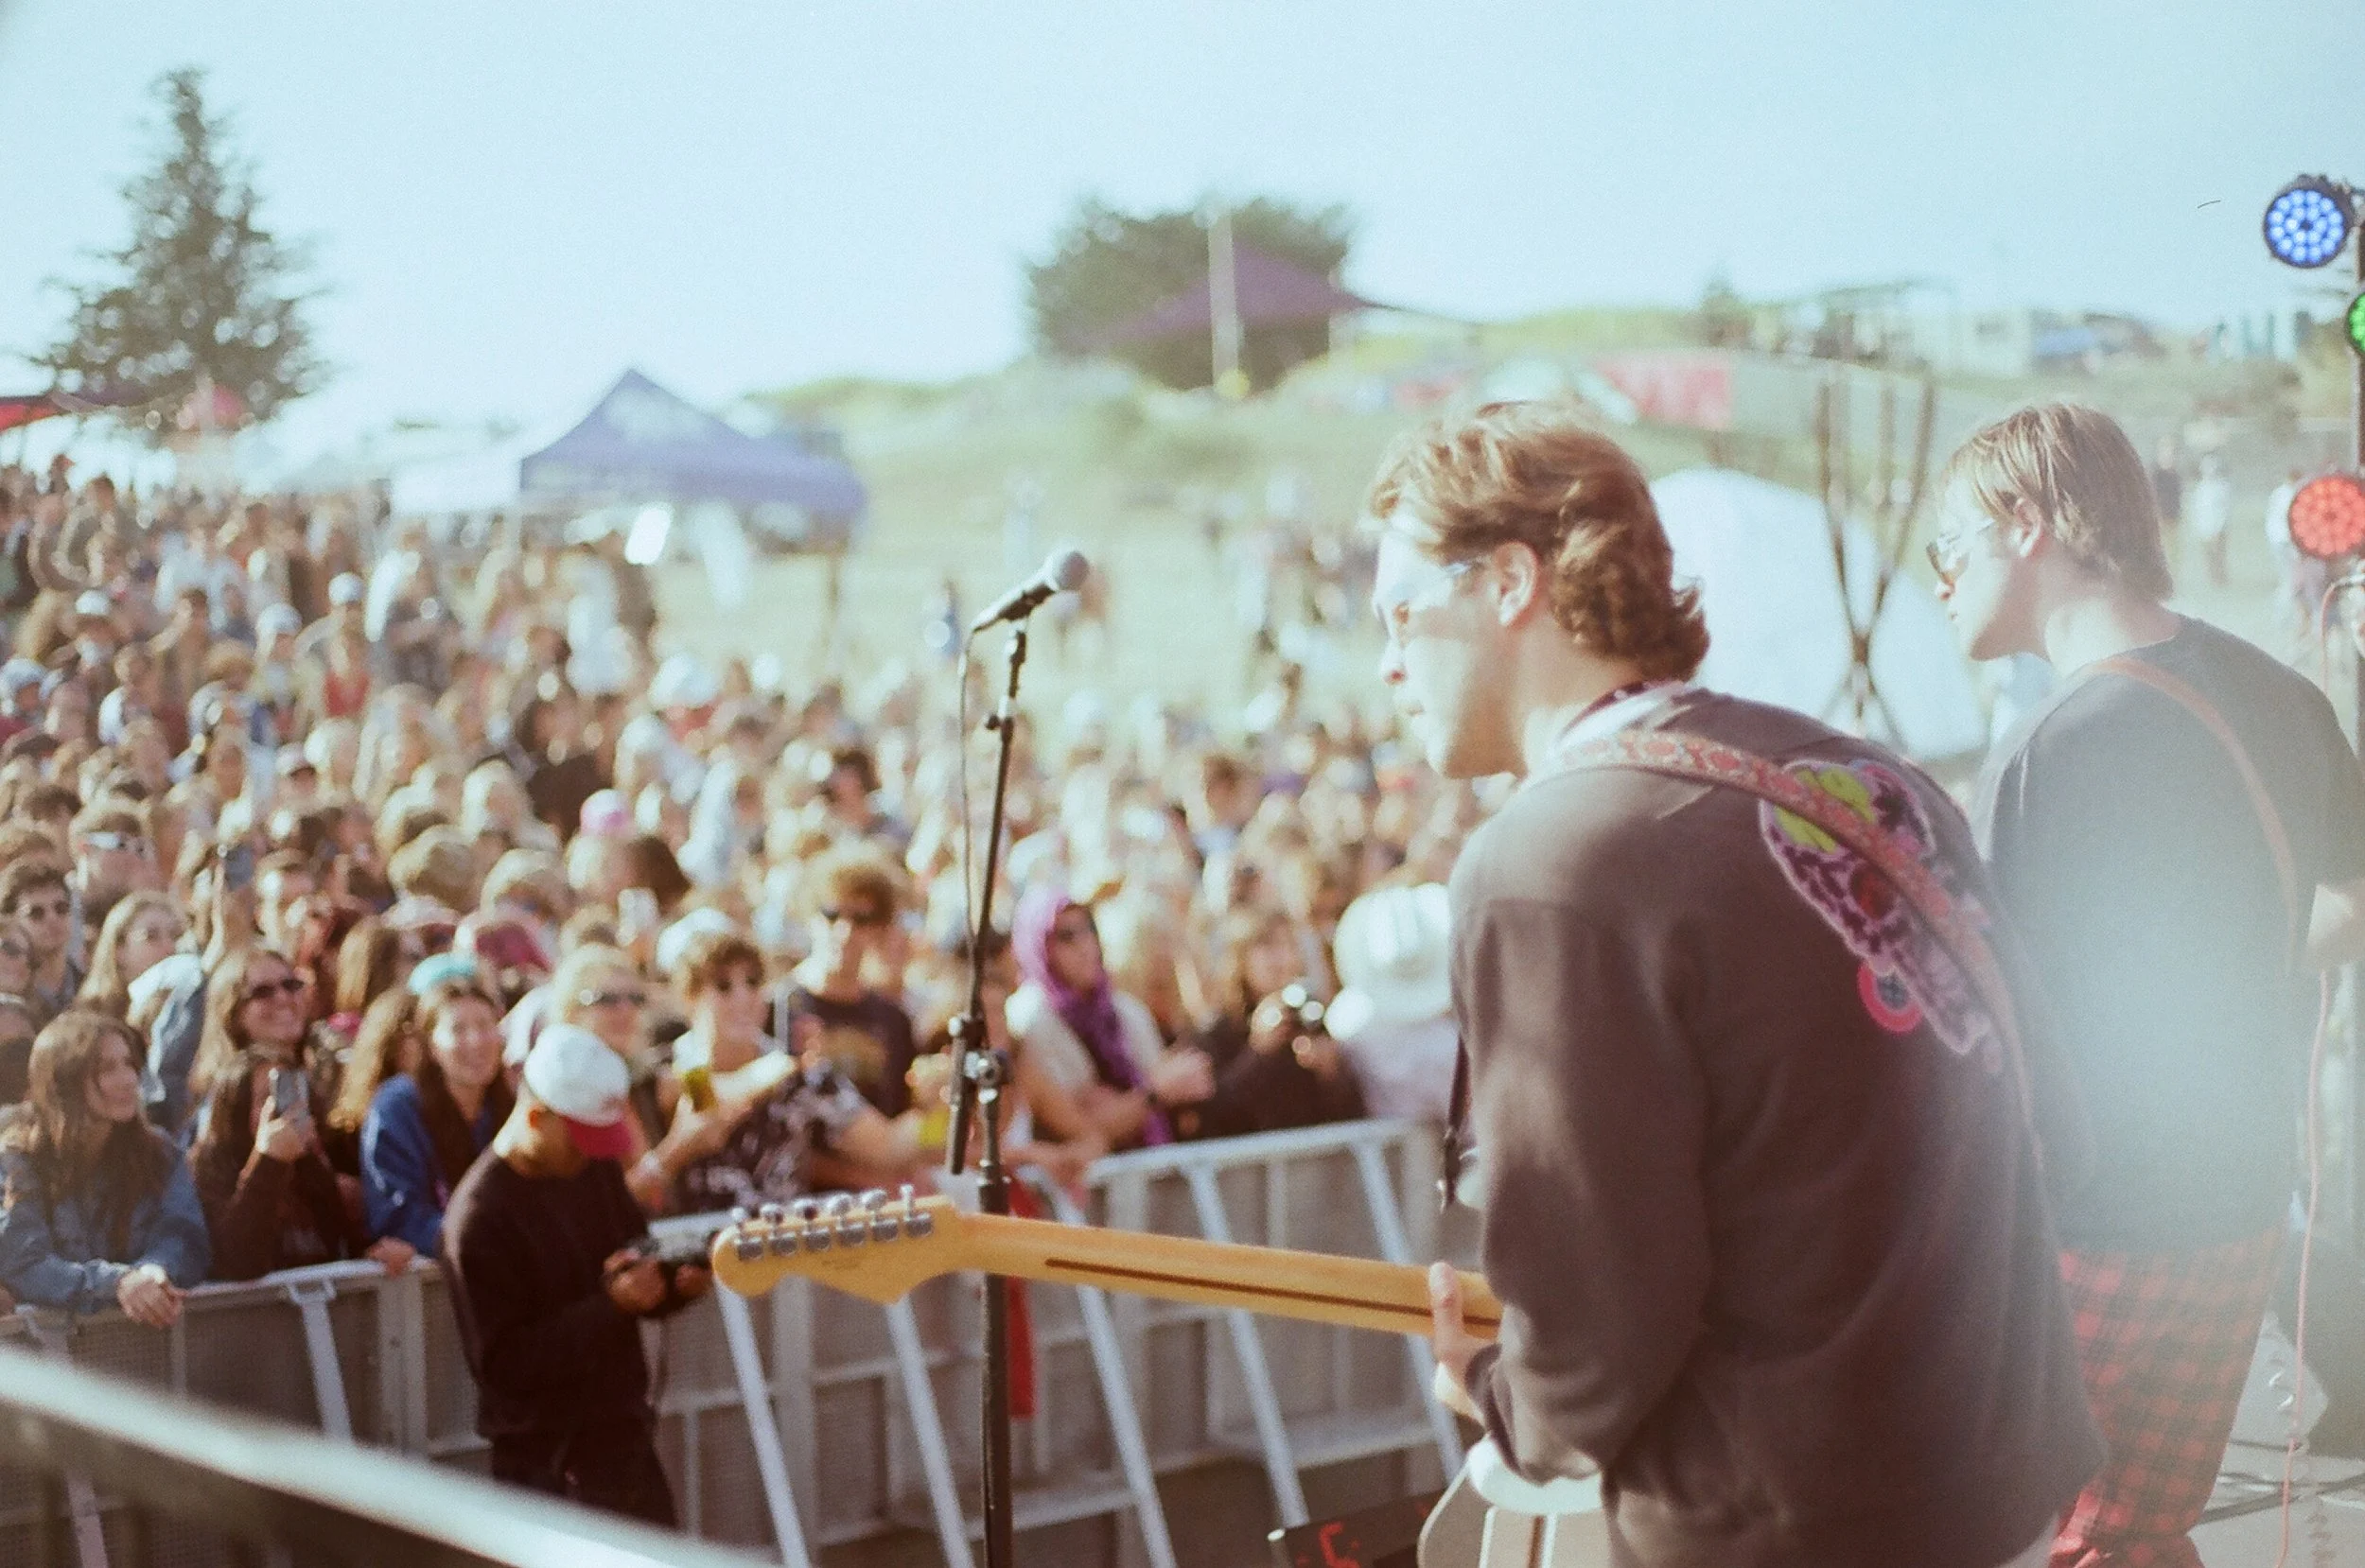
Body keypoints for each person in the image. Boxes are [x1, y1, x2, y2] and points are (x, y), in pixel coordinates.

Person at [1376, 402, 2098, 1568]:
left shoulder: (1548, 861)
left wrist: (1502, 1393)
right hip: (2001, 1476)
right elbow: (2059, 1131)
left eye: (1402, 611)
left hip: (1786, 1518)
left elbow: (1591, 1330)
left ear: (1509, 579)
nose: (1389, 662)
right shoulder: (1870, 777)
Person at [1932, 402, 2365, 1568]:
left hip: (2098, 1221)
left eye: (1949, 546)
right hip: (2235, 1203)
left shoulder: (2051, 744)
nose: (1938, 581)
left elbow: (1990, 1031)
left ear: (2025, 524)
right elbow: (2355, 901)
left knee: (2075, 1539)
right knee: (2131, 1529)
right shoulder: (2280, 693)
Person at [439, 1023, 708, 1524]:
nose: (593, 1153)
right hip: (547, 1465)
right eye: (582, 1140)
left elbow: (629, 1257)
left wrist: (671, 1287)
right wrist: (614, 1306)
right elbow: (505, 1366)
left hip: (622, 1443)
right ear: (537, 1117)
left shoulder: (592, 1169)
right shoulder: (479, 1218)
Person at [186, 947, 411, 1280]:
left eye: (291, 985)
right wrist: (269, 1161)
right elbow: (235, 1256)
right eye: (262, 992)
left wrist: (369, 1250)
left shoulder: (325, 1077)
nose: (282, 998)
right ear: (231, 1012)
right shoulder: (213, 1125)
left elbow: (336, 1234)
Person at [661, 927, 917, 1215]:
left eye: (754, 982)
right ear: (690, 997)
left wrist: (944, 1111)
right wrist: (784, 1065)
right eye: (723, 986)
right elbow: (711, 1106)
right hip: (696, 1253)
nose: (743, 997)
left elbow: (886, 1146)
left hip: (781, 1245)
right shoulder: (668, 1067)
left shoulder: (804, 1075)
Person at [0, 1009, 208, 1322]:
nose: (129, 1079)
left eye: (129, 1064)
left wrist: (154, 1272)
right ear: (65, 1080)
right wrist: (116, 1283)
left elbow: (182, 1234)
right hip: (51, 1356)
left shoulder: (159, 1150)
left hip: (143, 1343)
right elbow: (24, 1262)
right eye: (107, 1069)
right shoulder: (19, 1156)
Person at [1007, 885, 1212, 1151]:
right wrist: (1151, 1094)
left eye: (1089, 928)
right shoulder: (1029, 1018)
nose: (1085, 945)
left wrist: (1132, 1101)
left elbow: (1169, 1089)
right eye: (1066, 936)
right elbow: (1077, 1127)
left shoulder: (1124, 1010)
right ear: (1039, 944)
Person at [1170, 906, 1364, 1140]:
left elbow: (1351, 1116)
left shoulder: (1311, 1022)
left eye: (1290, 945)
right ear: (1241, 957)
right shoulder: (1214, 1034)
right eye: (1269, 946)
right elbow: (1209, 1120)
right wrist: (1258, 1054)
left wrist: (1331, 1073)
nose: (1283, 959)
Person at [359, 980, 513, 1253]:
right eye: (458, 1029)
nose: (476, 1041)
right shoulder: (397, 1107)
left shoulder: (513, 1104)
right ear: (431, 1045)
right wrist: (486, 1242)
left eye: (485, 1026)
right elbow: (398, 1217)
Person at [773, 845, 921, 1116]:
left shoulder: (894, 1021)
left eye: (861, 919)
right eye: (831, 915)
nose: (845, 932)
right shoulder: (779, 1006)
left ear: (880, 928)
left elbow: (902, 1113)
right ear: (809, 916)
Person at [77, 889, 185, 1019]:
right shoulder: (93, 1015)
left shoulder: (191, 1005)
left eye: (176, 935)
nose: (170, 947)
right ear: (119, 949)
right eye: (151, 936)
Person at [1, 857, 84, 1022]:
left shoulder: (94, 990)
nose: (52, 919)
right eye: (36, 913)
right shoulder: (7, 995)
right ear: (10, 921)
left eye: (61, 908)